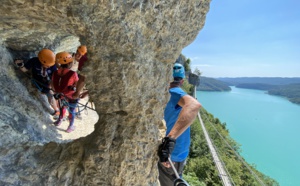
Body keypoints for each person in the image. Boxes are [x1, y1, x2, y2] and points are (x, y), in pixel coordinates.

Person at [157, 63, 201, 186]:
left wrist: (169, 140)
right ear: (182, 81)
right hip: (176, 152)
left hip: (171, 154)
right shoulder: (171, 93)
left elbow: (194, 105)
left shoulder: (173, 93)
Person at [14, 49, 60, 118]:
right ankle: (57, 109)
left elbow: (54, 79)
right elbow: (25, 70)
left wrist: (50, 87)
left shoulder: (52, 66)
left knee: (50, 96)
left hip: (48, 83)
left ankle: (57, 109)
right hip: (38, 81)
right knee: (50, 95)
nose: (48, 67)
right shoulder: (34, 61)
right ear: (41, 61)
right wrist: (21, 65)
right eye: (47, 65)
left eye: (49, 65)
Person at [51, 52, 79, 133]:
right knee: (72, 110)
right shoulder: (73, 74)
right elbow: (77, 85)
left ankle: (59, 120)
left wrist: (56, 91)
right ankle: (70, 126)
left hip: (60, 95)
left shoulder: (55, 72)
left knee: (62, 107)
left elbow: (52, 83)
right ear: (70, 63)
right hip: (71, 96)